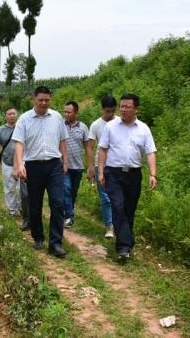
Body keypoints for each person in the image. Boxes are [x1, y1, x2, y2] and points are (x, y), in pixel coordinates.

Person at [98, 93, 157, 261]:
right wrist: (101, 172)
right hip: (113, 173)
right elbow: (102, 149)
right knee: (117, 205)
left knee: (129, 210)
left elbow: (150, 153)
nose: (123, 109)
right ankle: (124, 247)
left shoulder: (144, 129)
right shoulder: (111, 126)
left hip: (133, 174)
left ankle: (126, 243)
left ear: (135, 109)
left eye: (127, 107)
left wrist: (153, 174)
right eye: (121, 106)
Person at [13, 86, 69, 258]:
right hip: (33, 166)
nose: (44, 103)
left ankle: (55, 243)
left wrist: (65, 161)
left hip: (54, 165)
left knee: (58, 203)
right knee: (35, 205)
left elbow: (63, 140)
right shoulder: (24, 119)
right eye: (40, 100)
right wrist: (20, 164)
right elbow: (19, 143)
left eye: (47, 100)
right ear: (34, 100)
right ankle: (38, 237)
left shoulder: (57, 117)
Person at [86, 95, 119, 238]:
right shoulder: (96, 125)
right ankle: (109, 226)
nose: (110, 114)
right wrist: (90, 167)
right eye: (107, 111)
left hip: (117, 165)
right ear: (102, 109)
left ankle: (120, 224)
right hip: (101, 165)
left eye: (112, 111)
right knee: (105, 197)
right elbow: (90, 148)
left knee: (118, 197)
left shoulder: (120, 122)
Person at [0, 107, 29, 230]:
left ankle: (21, 208)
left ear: (17, 115)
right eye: (9, 114)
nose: (12, 116)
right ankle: (11, 210)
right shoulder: (0, 130)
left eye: (14, 113)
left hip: (22, 162)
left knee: (22, 188)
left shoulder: (23, 127)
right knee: (9, 188)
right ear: (5, 116)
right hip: (7, 163)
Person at [62, 101, 91, 228]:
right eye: (65, 112)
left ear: (76, 113)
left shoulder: (83, 127)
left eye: (69, 112)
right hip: (63, 165)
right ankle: (69, 216)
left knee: (73, 192)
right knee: (66, 189)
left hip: (78, 166)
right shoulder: (60, 125)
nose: (66, 114)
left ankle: (68, 211)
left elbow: (88, 148)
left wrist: (90, 166)